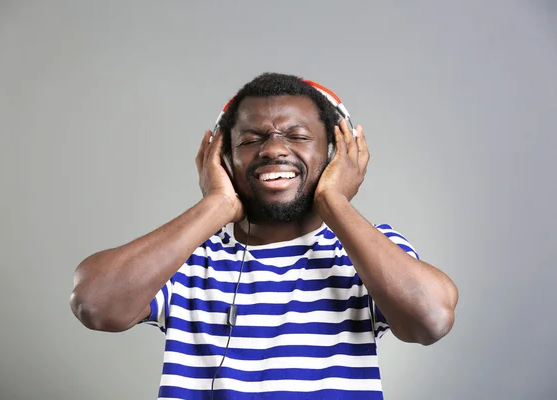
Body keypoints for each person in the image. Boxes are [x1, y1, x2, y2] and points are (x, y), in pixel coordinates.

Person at [70, 72, 459, 400]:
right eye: (251, 139)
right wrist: (217, 205)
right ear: (223, 158)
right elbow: (95, 305)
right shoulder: (188, 256)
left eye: (297, 135)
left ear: (334, 155)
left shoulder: (366, 249)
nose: (273, 149)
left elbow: (430, 320)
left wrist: (333, 199)